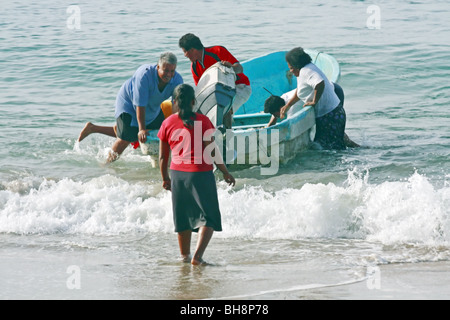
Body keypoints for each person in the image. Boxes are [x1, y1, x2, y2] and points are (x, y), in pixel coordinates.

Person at [158, 83, 235, 265]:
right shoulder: (203, 121)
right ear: (194, 101)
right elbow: (212, 150)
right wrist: (225, 172)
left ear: (174, 102)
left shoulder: (167, 123)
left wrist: (165, 178)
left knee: (182, 218)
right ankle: (197, 257)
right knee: (209, 217)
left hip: (177, 175)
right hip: (200, 174)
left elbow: (163, 157)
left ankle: (184, 256)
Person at [77, 52, 183, 162]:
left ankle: (96, 128)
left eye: (172, 71)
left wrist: (177, 124)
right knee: (126, 138)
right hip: (129, 105)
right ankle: (106, 164)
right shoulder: (145, 76)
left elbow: (176, 105)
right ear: (158, 67)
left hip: (152, 109)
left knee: (161, 133)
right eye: (166, 70)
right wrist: (141, 129)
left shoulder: (177, 80)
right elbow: (140, 105)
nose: (169, 75)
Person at [278, 47, 358, 150]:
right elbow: (300, 92)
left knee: (330, 150)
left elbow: (319, 83)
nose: (290, 71)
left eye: (291, 67)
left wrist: (314, 101)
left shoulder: (306, 71)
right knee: (330, 146)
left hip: (330, 115)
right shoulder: (305, 70)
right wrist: (288, 105)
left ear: (297, 65)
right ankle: (364, 151)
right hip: (332, 114)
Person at [178, 33, 251, 129]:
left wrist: (231, 68)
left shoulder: (217, 51)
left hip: (240, 87)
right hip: (217, 94)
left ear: (192, 50)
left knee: (224, 107)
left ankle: (227, 136)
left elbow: (240, 69)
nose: (185, 55)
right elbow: (201, 90)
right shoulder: (194, 67)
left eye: (185, 52)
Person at [264, 83, 360, 148]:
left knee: (333, 130)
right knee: (333, 131)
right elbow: (274, 117)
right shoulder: (281, 100)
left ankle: (356, 148)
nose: (273, 115)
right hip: (330, 86)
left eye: (273, 113)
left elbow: (291, 129)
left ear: (280, 108)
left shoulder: (293, 108)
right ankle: (356, 146)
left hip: (333, 91)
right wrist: (268, 127)